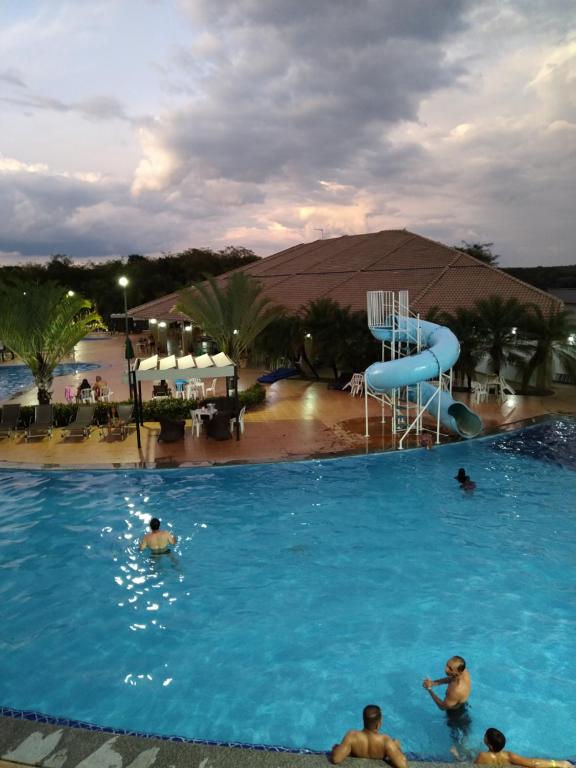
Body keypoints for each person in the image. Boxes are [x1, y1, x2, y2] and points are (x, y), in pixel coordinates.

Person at [329, 705, 407, 767]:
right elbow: (403, 765)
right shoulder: (385, 741)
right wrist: (397, 746)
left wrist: (338, 749)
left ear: (363, 720)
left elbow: (336, 759)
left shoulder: (352, 736)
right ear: (378, 724)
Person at [423, 656, 472, 743]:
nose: (445, 669)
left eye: (450, 668)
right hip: (461, 706)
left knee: (458, 741)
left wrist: (429, 689)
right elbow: (452, 678)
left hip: (455, 715)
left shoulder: (456, 690)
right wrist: (434, 683)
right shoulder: (463, 672)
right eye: (447, 665)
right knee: (463, 735)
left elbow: (442, 707)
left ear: (458, 672)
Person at [475, 728, 571, 768]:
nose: (484, 737)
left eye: (485, 736)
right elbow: (533, 763)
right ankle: (563, 764)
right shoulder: (508, 755)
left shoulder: (482, 756)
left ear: (490, 745)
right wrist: (558, 763)